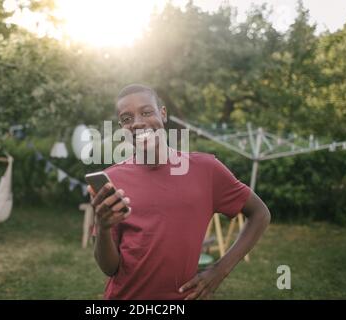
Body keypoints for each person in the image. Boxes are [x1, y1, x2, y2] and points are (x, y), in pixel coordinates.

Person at [88, 84, 271, 300]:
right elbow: (109, 268)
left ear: (162, 114)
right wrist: (103, 226)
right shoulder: (112, 181)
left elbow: (260, 213)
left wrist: (220, 271)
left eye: (146, 112)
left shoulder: (206, 170)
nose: (137, 123)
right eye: (127, 118)